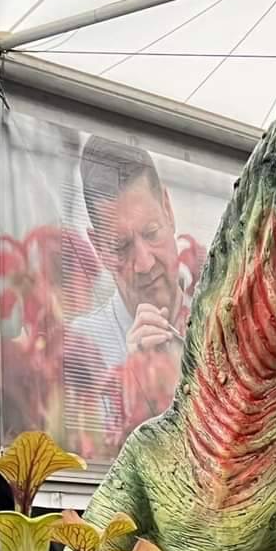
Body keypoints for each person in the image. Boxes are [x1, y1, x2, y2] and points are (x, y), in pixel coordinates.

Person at [68, 137, 206, 451]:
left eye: (151, 233)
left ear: (168, 209)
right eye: (121, 246)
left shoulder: (217, 323)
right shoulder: (82, 349)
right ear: (98, 247)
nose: (144, 263)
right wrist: (134, 385)